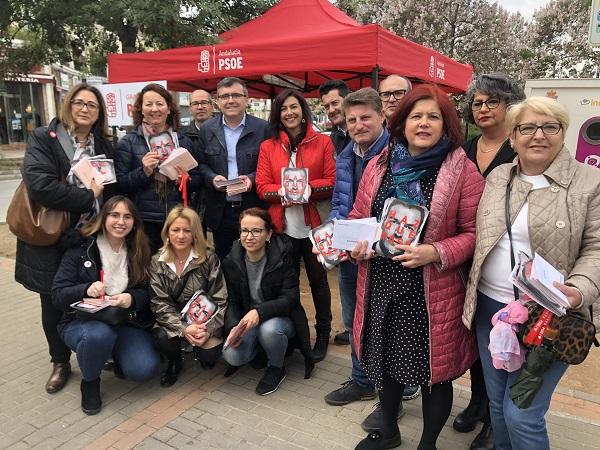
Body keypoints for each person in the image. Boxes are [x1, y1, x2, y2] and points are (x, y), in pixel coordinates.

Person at [349, 84, 484, 450]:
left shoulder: (461, 170)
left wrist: (436, 251)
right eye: (416, 116)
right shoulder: (381, 164)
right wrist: (357, 246)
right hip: (381, 281)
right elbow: (359, 216)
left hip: (429, 291)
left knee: (432, 374)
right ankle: (389, 432)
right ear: (402, 122)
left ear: (447, 124)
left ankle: (428, 444)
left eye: (433, 116)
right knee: (387, 362)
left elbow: (475, 233)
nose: (423, 123)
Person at [463, 96, 600, 450]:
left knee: (522, 414)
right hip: (492, 311)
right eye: (527, 127)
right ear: (512, 137)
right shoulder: (498, 177)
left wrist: (578, 289)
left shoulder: (589, 182)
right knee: (496, 405)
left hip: (550, 317)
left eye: (549, 126)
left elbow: (597, 248)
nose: (538, 135)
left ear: (563, 132)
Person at [15, 82, 114, 395]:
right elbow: (40, 185)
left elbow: (113, 187)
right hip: (54, 235)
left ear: (99, 113)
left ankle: (97, 347)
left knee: (95, 293)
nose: (85, 109)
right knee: (53, 300)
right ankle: (59, 361)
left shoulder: (103, 144)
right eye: (79, 103)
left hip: (93, 233)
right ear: (68, 105)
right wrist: (87, 197)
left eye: (92, 105)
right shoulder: (45, 137)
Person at [455, 73, 525, 450]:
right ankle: (479, 401)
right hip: (466, 256)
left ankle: (495, 420)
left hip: (503, 259)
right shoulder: (465, 148)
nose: (482, 109)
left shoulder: (520, 149)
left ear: (509, 105)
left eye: (491, 102)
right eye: (477, 103)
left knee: (502, 338)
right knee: (475, 335)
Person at [321, 88, 390, 429]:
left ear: (382, 116)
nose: (359, 125)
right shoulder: (346, 154)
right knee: (353, 321)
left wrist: (377, 241)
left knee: (389, 325)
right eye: (352, 120)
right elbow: (339, 201)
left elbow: (403, 212)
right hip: (351, 255)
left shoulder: (398, 154)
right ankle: (362, 381)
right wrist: (333, 230)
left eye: (365, 117)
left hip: (385, 256)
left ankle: (396, 387)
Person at [51, 196, 159, 414]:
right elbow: (57, 294)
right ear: (104, 217)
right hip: (82, 321)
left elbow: (150, 290)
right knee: (99, 336)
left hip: (124, 320)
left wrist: (133, 297)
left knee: (144, 369)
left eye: (127, 216)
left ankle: (115, 354)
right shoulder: (81, 248)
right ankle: (90, 381)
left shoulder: (139, 249)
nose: (121, 222)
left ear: (134, 222)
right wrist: (85, 289)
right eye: (114, 215)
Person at [255, 89, 335, 362]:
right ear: (277, 115)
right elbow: (262, 186)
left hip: (313, 227)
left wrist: (306, 189)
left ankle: (323, 333)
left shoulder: (322, 142)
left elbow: (332, 181)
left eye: (294, 107)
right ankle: (296, 336)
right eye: (283, 109)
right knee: (288, 286)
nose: (289, 113)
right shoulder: (268, 147)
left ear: (303, 110)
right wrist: (285, 193)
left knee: (319, 283)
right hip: (282, 228)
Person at [221, 208, 314, 395]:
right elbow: (233, 300)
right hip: (251, 319)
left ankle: (276, 367)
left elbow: (290, 298)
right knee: (232, 355)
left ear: (268, 233)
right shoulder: (233, 259)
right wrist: (233, 327)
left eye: (256, 231)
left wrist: (260, 312)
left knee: (269, 330)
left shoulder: (282, 256)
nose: (249, 236)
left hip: (281, 318)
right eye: (244, 230)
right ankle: (262, 351)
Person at [115, 83, 199, 253]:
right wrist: (144, 172)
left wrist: (184, 180)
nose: (155, 109)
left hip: (178, 220)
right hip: (144, 221)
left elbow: (198, 179)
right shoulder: (129, 142)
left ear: (169, 109)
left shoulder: (182, 141)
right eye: (148, 104)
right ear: (141, 109)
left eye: (160, 104)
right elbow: (120, 184)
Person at [150, 206, 227, 387]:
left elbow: (220, 298)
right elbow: (159, 303)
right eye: (176, 230)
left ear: (195, 234)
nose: (181, 235)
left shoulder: (209, 258)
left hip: (202, 322)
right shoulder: (156, 261)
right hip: (172, 322)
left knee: (210, 355)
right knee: (161, 337)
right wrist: (184, 328)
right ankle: (174, 361)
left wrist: (206, 329)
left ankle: (199, 350)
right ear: (167, 232)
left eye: (187, 230)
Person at [197, 77, 270, 260]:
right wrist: (212, 178)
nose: (230, 100)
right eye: (225, 96)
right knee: (225, 261)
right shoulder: (207, 129)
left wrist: (252, 179)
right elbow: (201, 164)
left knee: (255, 261)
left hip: (252, 208)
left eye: (236, 95)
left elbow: (269, 165)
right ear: (218, 101)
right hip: (221, 211)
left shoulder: (263, 128)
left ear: (246, 98)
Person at [182, 89, 215, 232]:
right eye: (195, 103)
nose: (200, 107)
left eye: (204, 103)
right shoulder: (181, 135)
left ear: (212, 106)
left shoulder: (224, 131)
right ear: (190, 108)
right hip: (192, 196)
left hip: (217, 192)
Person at [320, 79, 352, 156]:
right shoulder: (331, 141)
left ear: (347, 101)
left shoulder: (363, 132)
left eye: (335, 103)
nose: (331, 110)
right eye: (327, 106)